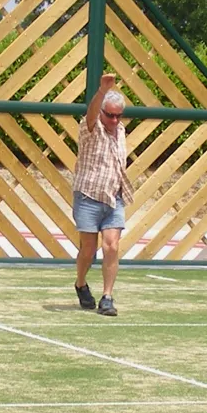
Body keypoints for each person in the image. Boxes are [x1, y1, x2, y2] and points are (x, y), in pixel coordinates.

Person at [72, 72, 132, 316]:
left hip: (113, 197)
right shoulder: (91, 127)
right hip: (88, 196)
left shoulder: (121, 131)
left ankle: (107, 297)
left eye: (119, 115)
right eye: (110, 115)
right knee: (89, 251)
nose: (115, 120)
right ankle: (80, 283)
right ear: (102, 112)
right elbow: (90, 115)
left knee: (112, 246)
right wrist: (100, 91)